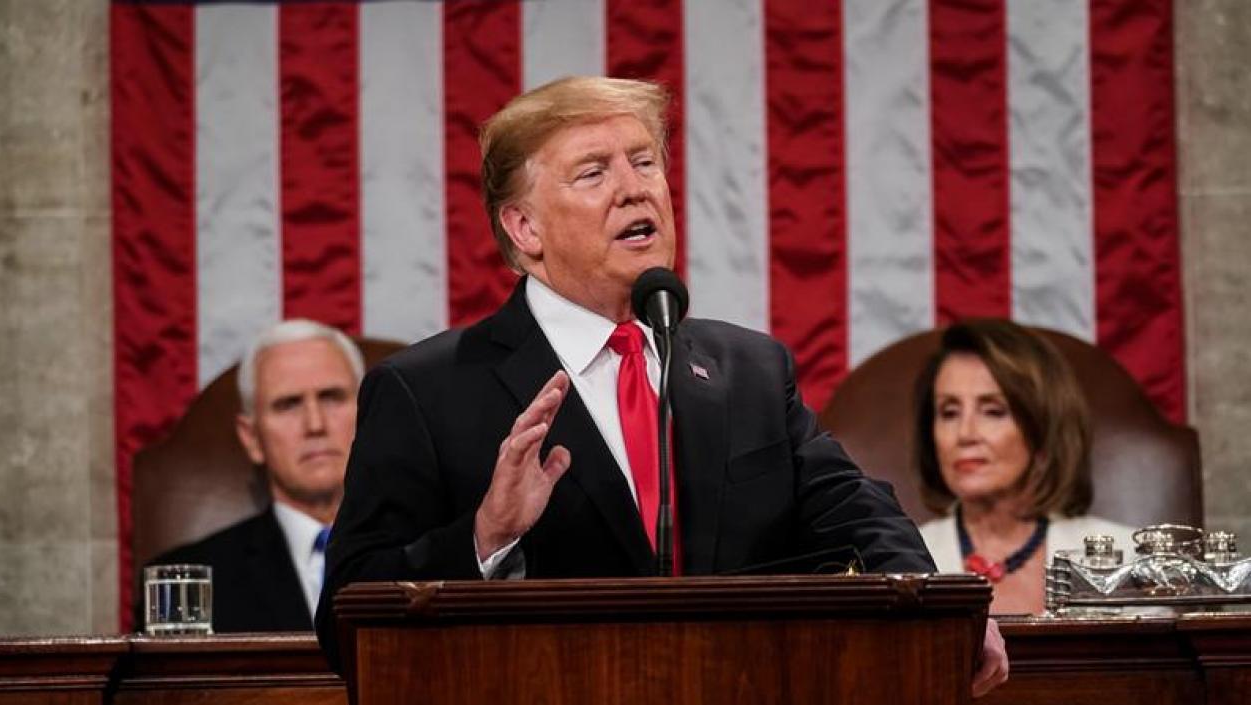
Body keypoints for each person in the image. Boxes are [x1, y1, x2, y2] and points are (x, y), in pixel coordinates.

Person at [316, 76, 1006, 695]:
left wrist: (951, 615)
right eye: (592, 173)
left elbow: (860, 517)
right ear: (524, 227)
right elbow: (346, 617)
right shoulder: (427, 391)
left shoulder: (750, 371)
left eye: (644, 162)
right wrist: (483, 536)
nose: (635, 187)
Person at [147, 319, 362, 632]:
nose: (315, 424)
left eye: (332, 397)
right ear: (252, 438)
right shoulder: (191, 585)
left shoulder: (430, 558)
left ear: (368, 414)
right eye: (288, 405)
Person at [913, 318, 1137, 614]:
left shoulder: (1131, 562)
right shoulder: (899, 567)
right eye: (949, 412)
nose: (965, 434)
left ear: (1043, 427)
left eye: (993, 411)